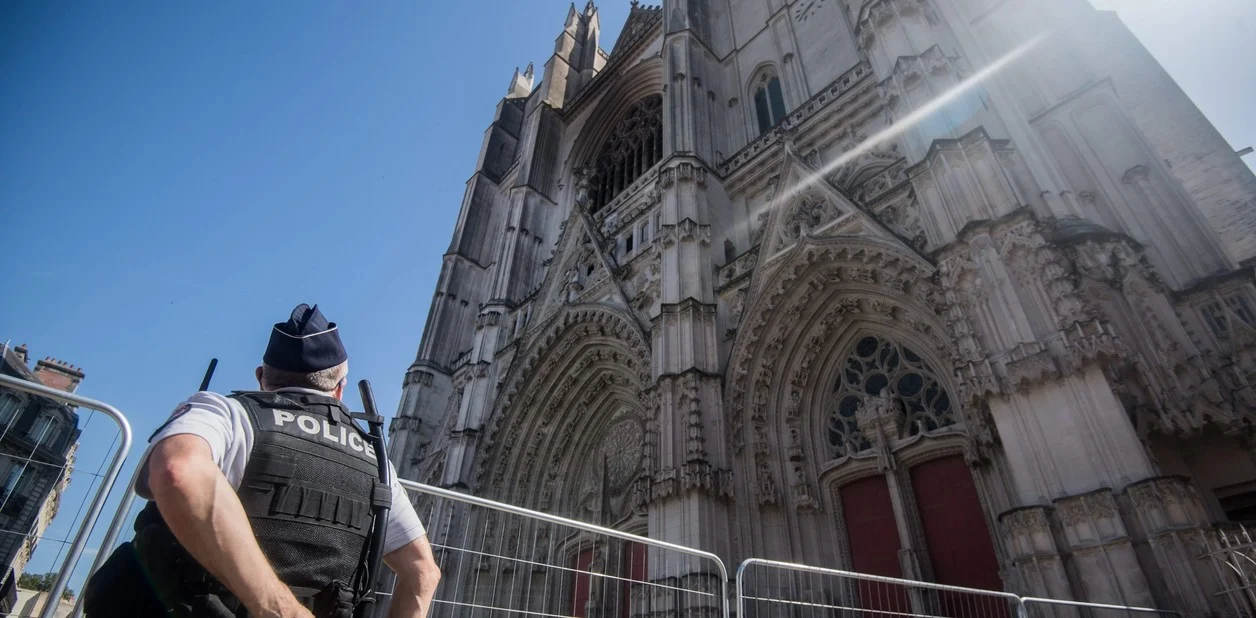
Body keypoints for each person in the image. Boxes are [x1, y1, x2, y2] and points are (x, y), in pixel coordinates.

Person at [84, 303, 441, 618]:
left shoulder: (226, 412)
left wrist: (280, 609)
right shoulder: (375, 462)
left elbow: (178, 472)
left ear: (261, 377)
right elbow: (423, 572)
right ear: (340, 387)